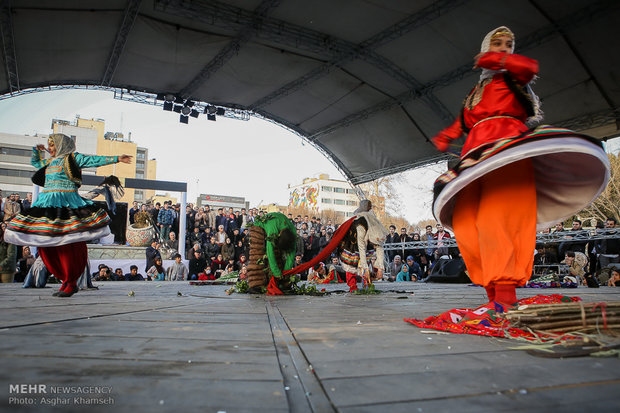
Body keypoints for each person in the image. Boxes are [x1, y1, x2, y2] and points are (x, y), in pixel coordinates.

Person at [431, 26, 609, 306]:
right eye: (497, 43)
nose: (504, 48)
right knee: (466, 222)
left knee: (499, 219)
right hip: (475, 158)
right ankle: (491, 293)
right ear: (486, 44)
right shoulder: (476, 90)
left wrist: (496, 61)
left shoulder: (514, 75)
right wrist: (447, 135)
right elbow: (465, 121)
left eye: (508, 44)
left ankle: (504, 296)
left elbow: (530, 66)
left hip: (508, 150)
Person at [4, 134, 132, 296]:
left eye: (52, 146)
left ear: (60, 146)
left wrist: (117, 158)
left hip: (66, 202)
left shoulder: (71, 158)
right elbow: (36, 163)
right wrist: (36, 151)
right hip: (47, 204)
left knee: (67, 244)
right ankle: (65, 280)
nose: (49, 149)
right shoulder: (49, 162)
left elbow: (92, 160)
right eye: (49, 146)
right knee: (46, 244)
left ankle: (71, 282)